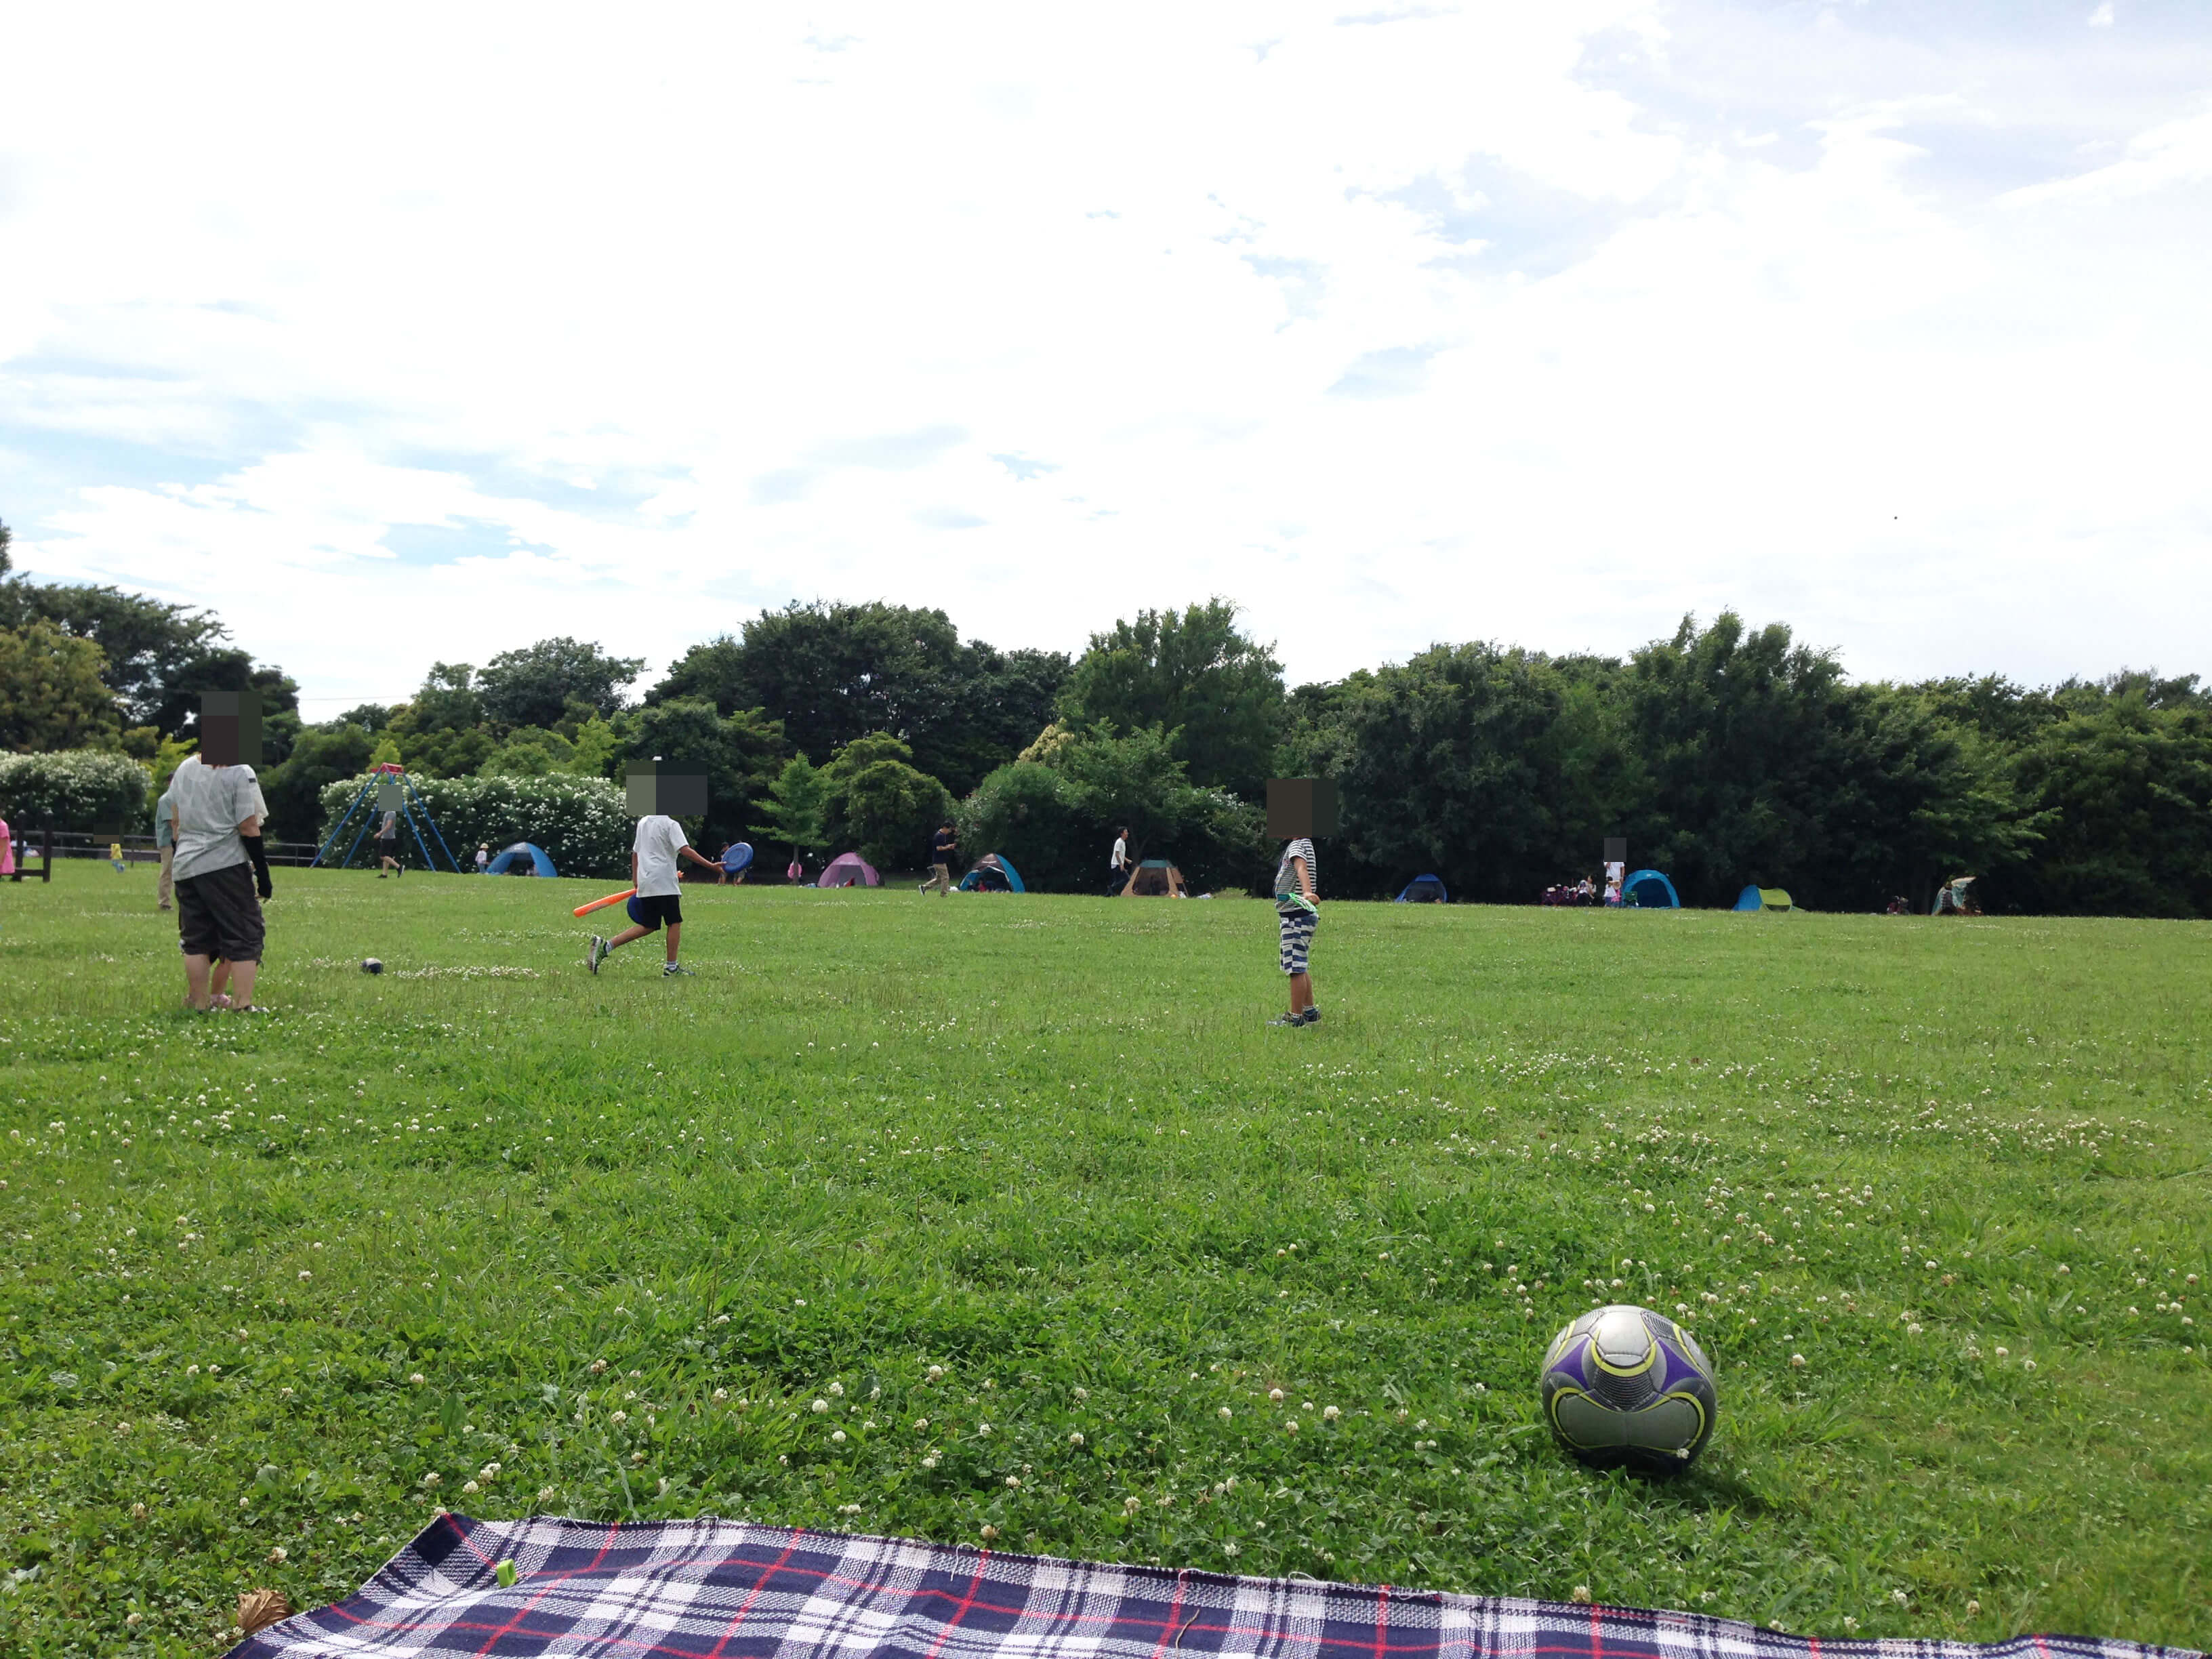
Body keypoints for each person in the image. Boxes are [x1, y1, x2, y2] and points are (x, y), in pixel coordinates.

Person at [167, 748, 271, 1013]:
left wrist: (182, 859)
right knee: (245, 932)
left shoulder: (185, 767)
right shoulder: (240, 771)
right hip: (224, 864)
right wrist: (263, 873)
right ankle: (242, 1004)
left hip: (186, 864)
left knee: (197, 938)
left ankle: (199, 1003)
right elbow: (248, 825)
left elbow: (176, 823)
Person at [586, 810, 722, 977]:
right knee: (674, 922)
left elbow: (635, 853)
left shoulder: (643, 823)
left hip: (647, 880)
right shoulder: (671, 825)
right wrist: (711, 866)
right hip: (664, 882)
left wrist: (636, 879)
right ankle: (671, 969)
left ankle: (606, 947)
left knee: (649, 925)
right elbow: (685, 850)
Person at [1268, 832, 1321, 1028]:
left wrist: (1307, 891)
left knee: (1295, 968)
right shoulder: (1306, 844)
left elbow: (1301, 867)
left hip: (1295, 916)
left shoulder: (1298, 846)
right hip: (1301, 914)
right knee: (1301, 964)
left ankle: (1295, 1016)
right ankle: (1309, 1010)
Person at [152, 786, 176, 909]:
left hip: (175, 841)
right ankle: (164, 902)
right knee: (167, 871)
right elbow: (172, 822)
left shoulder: (177, 799)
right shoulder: (166, 800)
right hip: (168, 842)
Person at [923, 819, 958, 896]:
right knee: (946, 877)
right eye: (949, 830)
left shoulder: (942, 835)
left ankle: (924, 887)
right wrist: (948, 847)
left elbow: (942, 847)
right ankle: (943, 894)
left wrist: (948, 847)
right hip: (939, 861)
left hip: (939, 861)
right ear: (945, 828)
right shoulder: (939, 836)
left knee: (939, 879)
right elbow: (938, 848)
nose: (949, 832)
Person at [375, 808, 403, 878]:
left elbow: (388, 826)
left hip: (388, 838)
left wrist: (380, 833)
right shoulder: (388, 812)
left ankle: (399, 867)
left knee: (382, 856)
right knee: (387, 856)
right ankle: (384, 874)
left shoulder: (391, 813)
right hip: (386, 837)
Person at [1106, 826, 1131, 896]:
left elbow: (1121, 854)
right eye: (1126, 832)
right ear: (1121, 834)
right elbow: (1117, 854)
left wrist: (1127, 860)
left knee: (1117, 881)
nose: (1127, 833)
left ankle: (1108, 895)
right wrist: (1121, 865)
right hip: (1116, 864)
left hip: (1118, 863)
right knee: (1127, 879)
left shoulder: (1123, 842)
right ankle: (1111, 888)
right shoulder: (1119, 842)